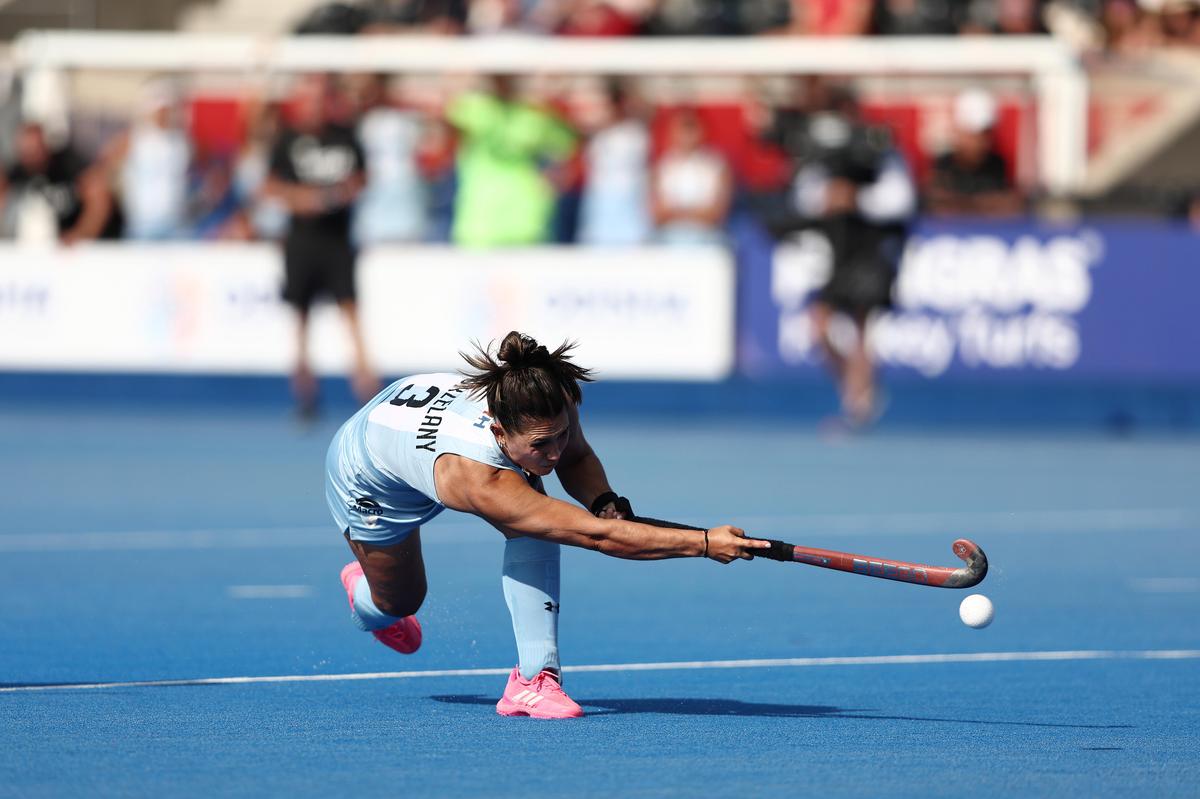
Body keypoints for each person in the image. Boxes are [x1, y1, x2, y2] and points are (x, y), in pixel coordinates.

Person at [325, 330, 769, 718]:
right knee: (400, 601)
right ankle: (364, 594)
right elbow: (596, 535)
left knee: (530, 522)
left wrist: (604, 499)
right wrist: (705, 543)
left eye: (559, 433)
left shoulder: (550, 400)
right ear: (500, 434)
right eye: (541, 445)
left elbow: (575, 456)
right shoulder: (481, 480)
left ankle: (532, 683)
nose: (554, 453)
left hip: (419, 424)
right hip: (369, 475)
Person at [264, 73, 377, 414]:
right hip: (301, 241)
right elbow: (272, 186)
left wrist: (335, 196)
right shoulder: (287, 140)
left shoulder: (345, 137)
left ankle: (368, 393)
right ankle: (304, 394)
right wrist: (305, 199)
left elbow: (361, 178)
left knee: (351, 315)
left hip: (337, 240)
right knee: (300, 318)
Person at [446, 74, 576, 247]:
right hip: (482, 219)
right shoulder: (476, 108)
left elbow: (566, 148)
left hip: (524, 217)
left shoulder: (533, 115)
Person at [0, 121, 118, 244]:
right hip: (36, 248)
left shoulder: (69, 165)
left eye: (35, 149)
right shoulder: (16, 173)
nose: (31, 155)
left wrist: (80, 235)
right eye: (26, 151)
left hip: (87, 248)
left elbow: (99, 196)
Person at [926, 89, 1024, 218]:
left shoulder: (997, 164)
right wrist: (983, 204)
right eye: (974, 135)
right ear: (958, 132)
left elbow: (1011, 204)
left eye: (985, 134)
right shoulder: (942, 166)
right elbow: (936, 204)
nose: (980, 142)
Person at [650, 108, 733, 246]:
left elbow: (716, 213)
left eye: (691, 128)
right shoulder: (662, 166)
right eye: (682, 129)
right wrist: (695, 213)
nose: (687, 135)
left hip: (707, 237)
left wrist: (677, 213)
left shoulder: (717, 166)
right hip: (669, 238)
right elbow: (658, 213)